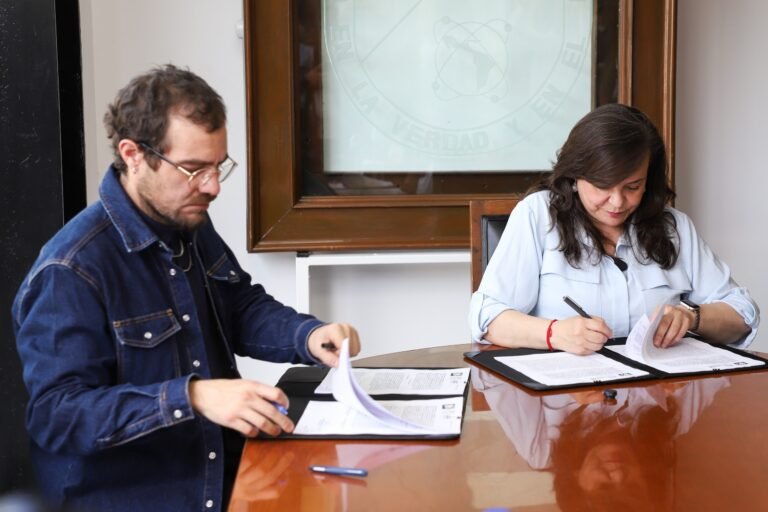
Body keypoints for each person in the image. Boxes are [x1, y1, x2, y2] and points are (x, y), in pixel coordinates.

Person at [11, 64, 361, 512]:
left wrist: (307, 335)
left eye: (218, 166)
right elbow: (57, 416)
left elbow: (238, 307)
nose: (212, 187)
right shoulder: (71, 269)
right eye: (193, 169)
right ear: (133, 154)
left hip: (224, 477)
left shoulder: (185, 217)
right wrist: (191, 396)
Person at [469, 103, 759, 354]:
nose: (618, 202)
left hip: (657, 393)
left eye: (632, 186)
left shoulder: (674, 226)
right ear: (575, 176)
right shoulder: (539, 215)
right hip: (565, 395)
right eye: (603, 186)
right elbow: (487, 318)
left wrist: (692, 316)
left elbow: (743, 312)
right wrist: (554, 333)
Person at [472, 367, 729, 511]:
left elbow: (487, 372)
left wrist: (561, 376)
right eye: (632, 486)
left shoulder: (541, 449)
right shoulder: (671, 423)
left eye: (604, 487)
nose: (617, 475)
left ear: (575, 482)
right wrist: (685, 369)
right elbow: (731, 359)